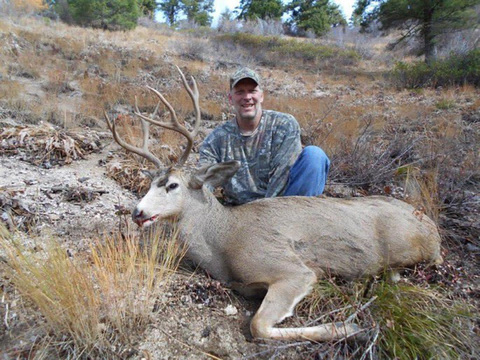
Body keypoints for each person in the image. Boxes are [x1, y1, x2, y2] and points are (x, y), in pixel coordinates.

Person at [199, 67, 330, 205]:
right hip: (237, 214)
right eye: (240, 92)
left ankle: (302, 221)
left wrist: (266, 219)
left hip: (282, 208)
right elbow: (204, 180)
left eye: (252, 91)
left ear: (261, 96)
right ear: (231, 98)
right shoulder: (215, 139)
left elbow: (281, 177)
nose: (247, 97)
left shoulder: (284, 125)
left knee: (315, 156)